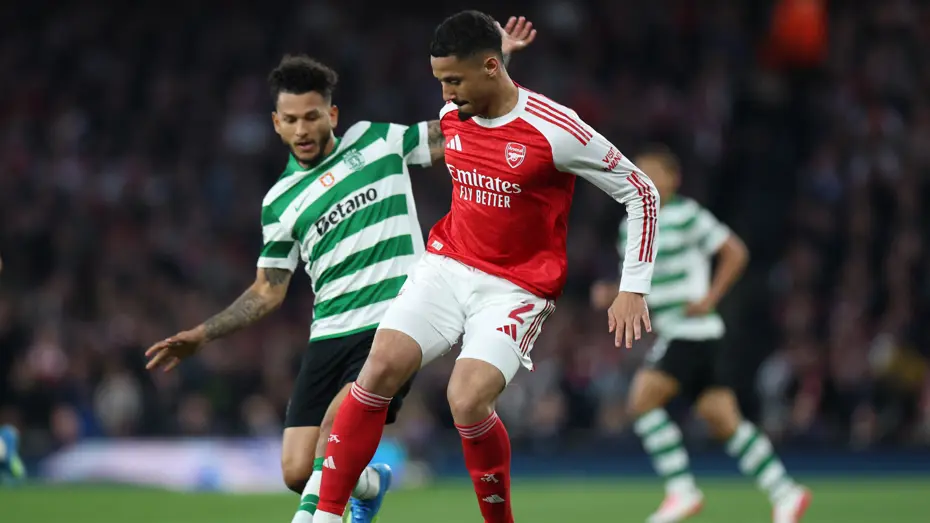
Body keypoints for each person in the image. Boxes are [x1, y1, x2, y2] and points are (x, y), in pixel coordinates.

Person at [144, 18, 535, 523]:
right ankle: (370, 483)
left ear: (332, 114)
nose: (303, 129)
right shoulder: (279, 201)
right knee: (296, 470)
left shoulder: (377, 141)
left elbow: (457, 128)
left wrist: (497, 64)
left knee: (335, 428)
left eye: (312, 116)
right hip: (328, 334)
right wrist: (203, 334)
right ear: (276, 123)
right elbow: (267, 290)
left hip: (391, 322)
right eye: (291, 119)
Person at [310, 10, 659, 523]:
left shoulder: (556, 130)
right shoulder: (457, 111)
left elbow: (641, 191)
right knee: (380, 366)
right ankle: (325, 516)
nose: (446, 94)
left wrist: (634, 286)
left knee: (467, 398)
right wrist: (493, 61)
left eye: (454, 80)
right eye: (441, 80)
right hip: (448, 262)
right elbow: (481, 82)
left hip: (516, 287)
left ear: (490, 68)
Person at [591, 145, 811, 523]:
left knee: (642, 400)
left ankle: (682, 491)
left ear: (673, 179)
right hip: (679, 330)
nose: (645, 179)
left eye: (653, 172)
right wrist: (613, 292)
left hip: (691, 330)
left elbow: (735, 251)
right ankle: (785, 491)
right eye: (639, 172)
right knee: (723, 418)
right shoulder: (630, 226)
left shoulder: (687, 214)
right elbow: (641, 282)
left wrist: (711, 297)